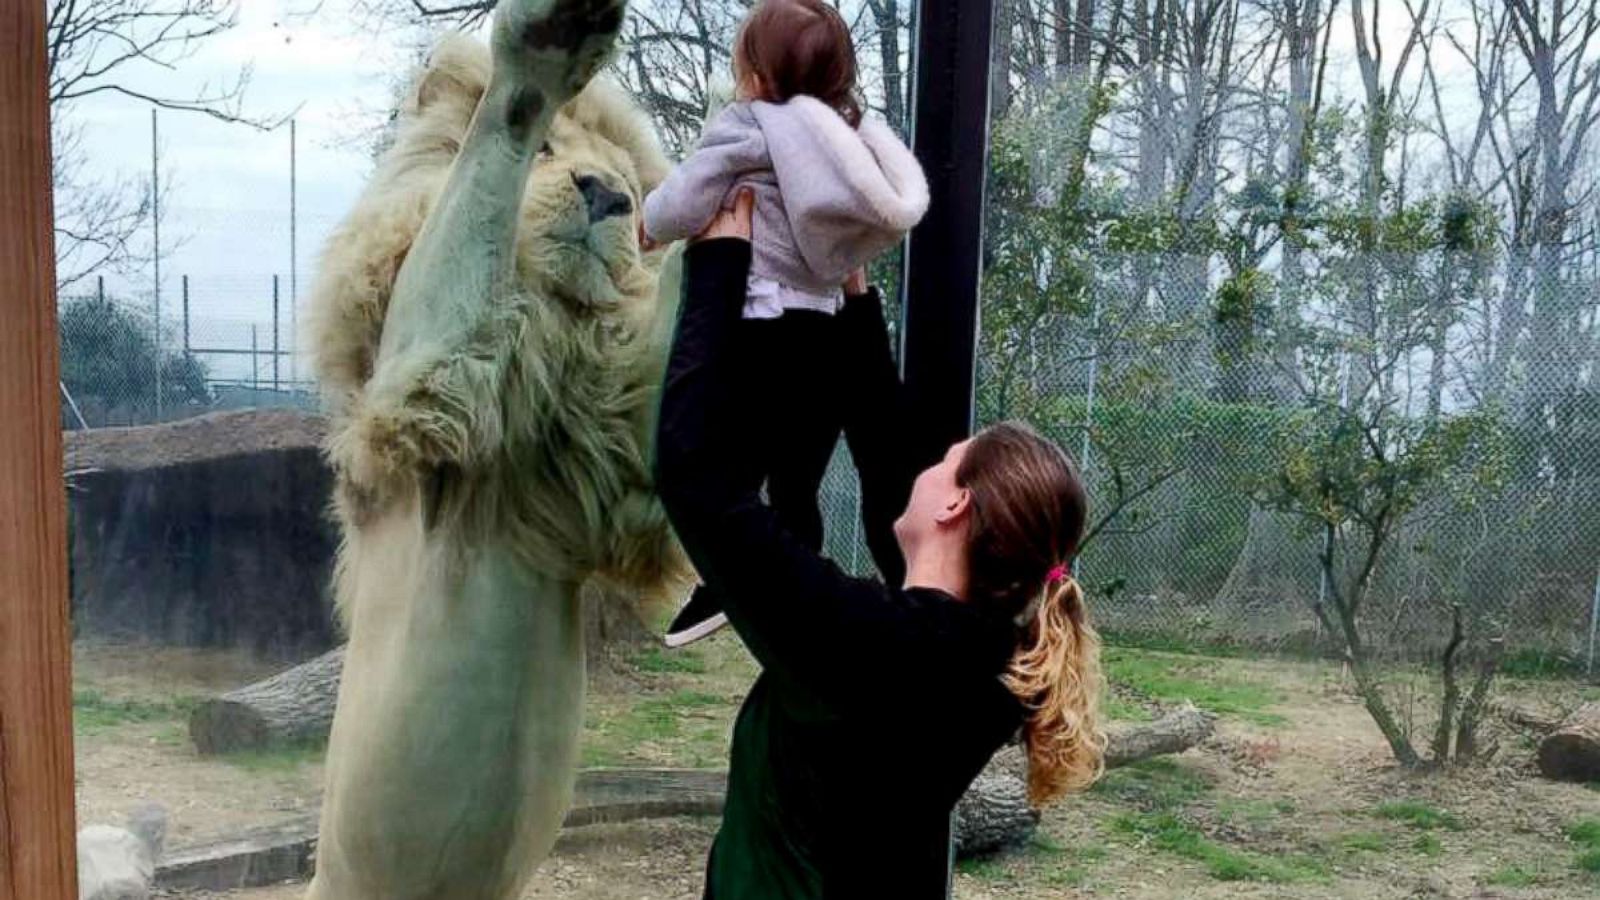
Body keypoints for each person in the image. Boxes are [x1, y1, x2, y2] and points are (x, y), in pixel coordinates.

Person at [653, 189, 1107, 899]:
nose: (925, 467)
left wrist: (715, 271)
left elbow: (696, 479)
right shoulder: (984, 654)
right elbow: (892, 468)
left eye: (946, 460)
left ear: (956, 503)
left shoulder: (863, 646)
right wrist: (852, 300)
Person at [640, 0, 929, 646]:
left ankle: (727, 583)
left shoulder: (751, 126)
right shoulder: (850, 147)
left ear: (756, 76)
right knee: (799, 473)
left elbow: (690, 194)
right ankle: (796, 564)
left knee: (727, 468)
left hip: (758, 326)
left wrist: (648, 226)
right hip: (828, 336)